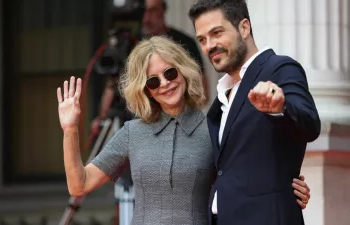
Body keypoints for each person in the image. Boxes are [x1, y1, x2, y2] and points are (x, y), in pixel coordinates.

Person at [57, 36, 311, 225]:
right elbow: (79, 185)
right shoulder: (132, 132)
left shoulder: (215, 127)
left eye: (170, 73)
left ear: (184, 70)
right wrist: (70, 130)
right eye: (154, 81)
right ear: (145, 90)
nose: (165, 84)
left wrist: (290, 188)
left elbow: (250, 177)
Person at [188, 0, 321, 225]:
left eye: (217, 33)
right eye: (202, 39)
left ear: (244, 27)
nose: (209, 45)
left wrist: (281, 108)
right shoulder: (222, 96)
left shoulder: (279, 68)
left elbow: (309, 123)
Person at [90, 0, 209, 136]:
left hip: (176, 126)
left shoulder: (184, 42)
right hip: (133, 123)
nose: (147, 17)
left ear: (163, 11)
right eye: (143, 11)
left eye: (153, 10)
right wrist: (102, 118)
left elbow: (203, 93)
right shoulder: (128, 43)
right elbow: (111, 84)